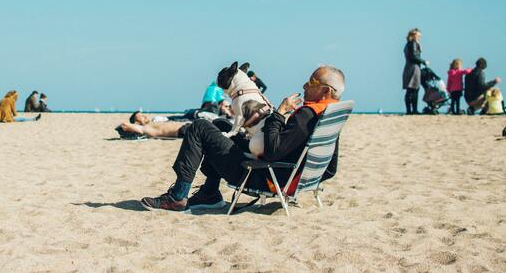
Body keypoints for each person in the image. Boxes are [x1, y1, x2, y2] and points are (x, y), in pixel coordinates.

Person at [140, 66, 345, 212]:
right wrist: (306, 178)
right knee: (220, 126)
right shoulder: (329, 114)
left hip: (263, 175)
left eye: (312, 82)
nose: (305, 85)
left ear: (326, 90)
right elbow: (331, 168)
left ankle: (177, 196)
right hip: (286, 175)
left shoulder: (306, 115)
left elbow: (273, 151)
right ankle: (210, 193)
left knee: (199, 127)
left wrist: (280, 113)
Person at [119, 110, 232, 139]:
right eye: (141, 116)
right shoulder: (144, 128)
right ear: (136, 122)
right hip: (184, 130)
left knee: (216, 125)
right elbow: (124, 125)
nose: (145, 116)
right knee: (214, 128)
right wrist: (133, 125)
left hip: (188, 127)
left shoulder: (152, 123)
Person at [402, 28, 427, 114]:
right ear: (413, 35)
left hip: (408, 67)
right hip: (414, 68)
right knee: (414, 89)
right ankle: (414, 110)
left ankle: (409, 110)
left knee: (410, 90)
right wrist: (424, 61)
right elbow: (413, 56)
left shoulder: (407, 44)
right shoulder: (413, 43)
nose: (419, 37)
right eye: (418, 35)